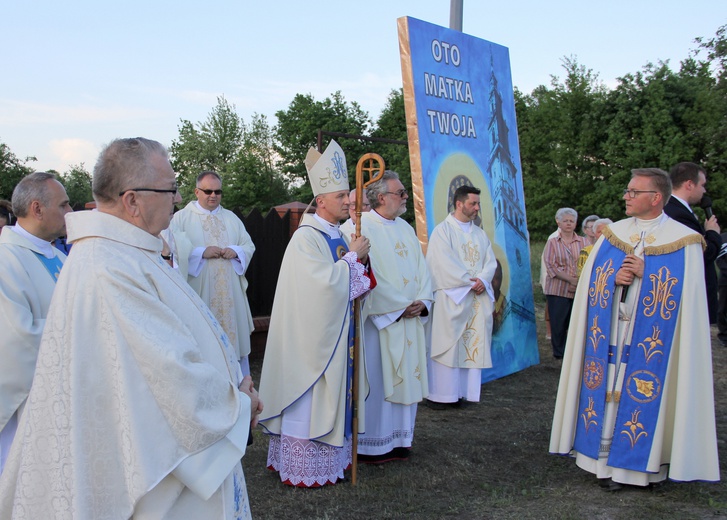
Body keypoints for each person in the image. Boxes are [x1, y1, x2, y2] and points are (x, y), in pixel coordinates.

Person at [0, 138, 262, 519]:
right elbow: (167, 370)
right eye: (170, 188)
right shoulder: (110, 265)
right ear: (132, 200)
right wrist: (236, 405)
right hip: (164, 465)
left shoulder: (126, 250)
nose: (176, 198)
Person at [550, 168, 719, 489]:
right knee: (606, 394)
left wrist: (648, 272)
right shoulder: (614, 235)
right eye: (627, 191)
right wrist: (613, 278)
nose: (625, 197)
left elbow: (690, 298)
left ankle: (641, 467)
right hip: (611, 335)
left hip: (654, 345)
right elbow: (590, 281)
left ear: (655, 198)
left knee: (644, 394)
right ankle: (600, 463)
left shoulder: (684, 240)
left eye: (633, 192)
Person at [258, 139, 374, 487]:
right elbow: (318, 288)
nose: (348, 202)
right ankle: (304, 466)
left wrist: (361, 260)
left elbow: (354, 285)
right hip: (309, 346)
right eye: (341, 197)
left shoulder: (339, 235)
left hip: (338, 339)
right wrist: (353, 259)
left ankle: (331, 462)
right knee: (308, 400)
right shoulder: (305, 238)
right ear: (320, 200)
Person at [356, 170, 433, 463]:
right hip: (382, 322)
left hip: (410, 318)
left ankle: (401, 439)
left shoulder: (406, 228)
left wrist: (423, 300)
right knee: (379, 376)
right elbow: (368, 276)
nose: (404, 198)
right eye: (400, 193)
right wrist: (399, 306)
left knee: (407, 375)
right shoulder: (362, 228)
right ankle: (373, 445)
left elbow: (422, 270)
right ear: (380, 197)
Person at [0, 172, 71, 474]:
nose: (70, 213)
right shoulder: (6, 259)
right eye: (64, 205)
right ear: (37, 209)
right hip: (26, 404)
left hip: (62, 391)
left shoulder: (58, 255)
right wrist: (82, 329)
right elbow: (16, 337)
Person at [171, 171, 256, 375]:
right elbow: (172, 250)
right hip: (199, 292)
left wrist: (236, 251)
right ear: (196, 191)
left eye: (218, 191)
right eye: (208, 191)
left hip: (230, 296)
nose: (213, 195)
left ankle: (237, 382)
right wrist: (200, 253)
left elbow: (248, 245)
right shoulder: (181, 218)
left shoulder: (231, 218)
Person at [426, 185, 497, 407]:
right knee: (449, 343)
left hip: (475, 297)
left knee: (471, 344)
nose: (477, 208)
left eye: (478, 204)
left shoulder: (479, 233)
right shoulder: (442, 231)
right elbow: (442, 262)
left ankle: (465, 393)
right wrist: (469, 283)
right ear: (459, 204)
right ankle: (443, 395)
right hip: (452, 297)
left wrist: (483, 281)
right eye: (472, 203)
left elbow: (490, 262)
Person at [663, 162, 722, 324]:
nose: (704, 190)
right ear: (689, 184)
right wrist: (712, 233)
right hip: (687, 297)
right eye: (702, 185)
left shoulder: (673, 209)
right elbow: (701, 254)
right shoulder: (677, 214)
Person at [543, 208, 586, 359]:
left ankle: (574, 353)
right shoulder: (553, 242)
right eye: (565, 221)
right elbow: (550, 266)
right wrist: (570, 279)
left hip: (579, 289)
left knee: (575, 323)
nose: (568, 224)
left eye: (572, 221)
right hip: (558, 289)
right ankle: (559, 353)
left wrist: (579, 280)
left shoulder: (584, 242)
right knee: (558, 323)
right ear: (558, 222)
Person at [717, 233, 727, 346]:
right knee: (723, 308)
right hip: (725, 280)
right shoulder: (723, 238)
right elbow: (719, 259)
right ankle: (724, 335)